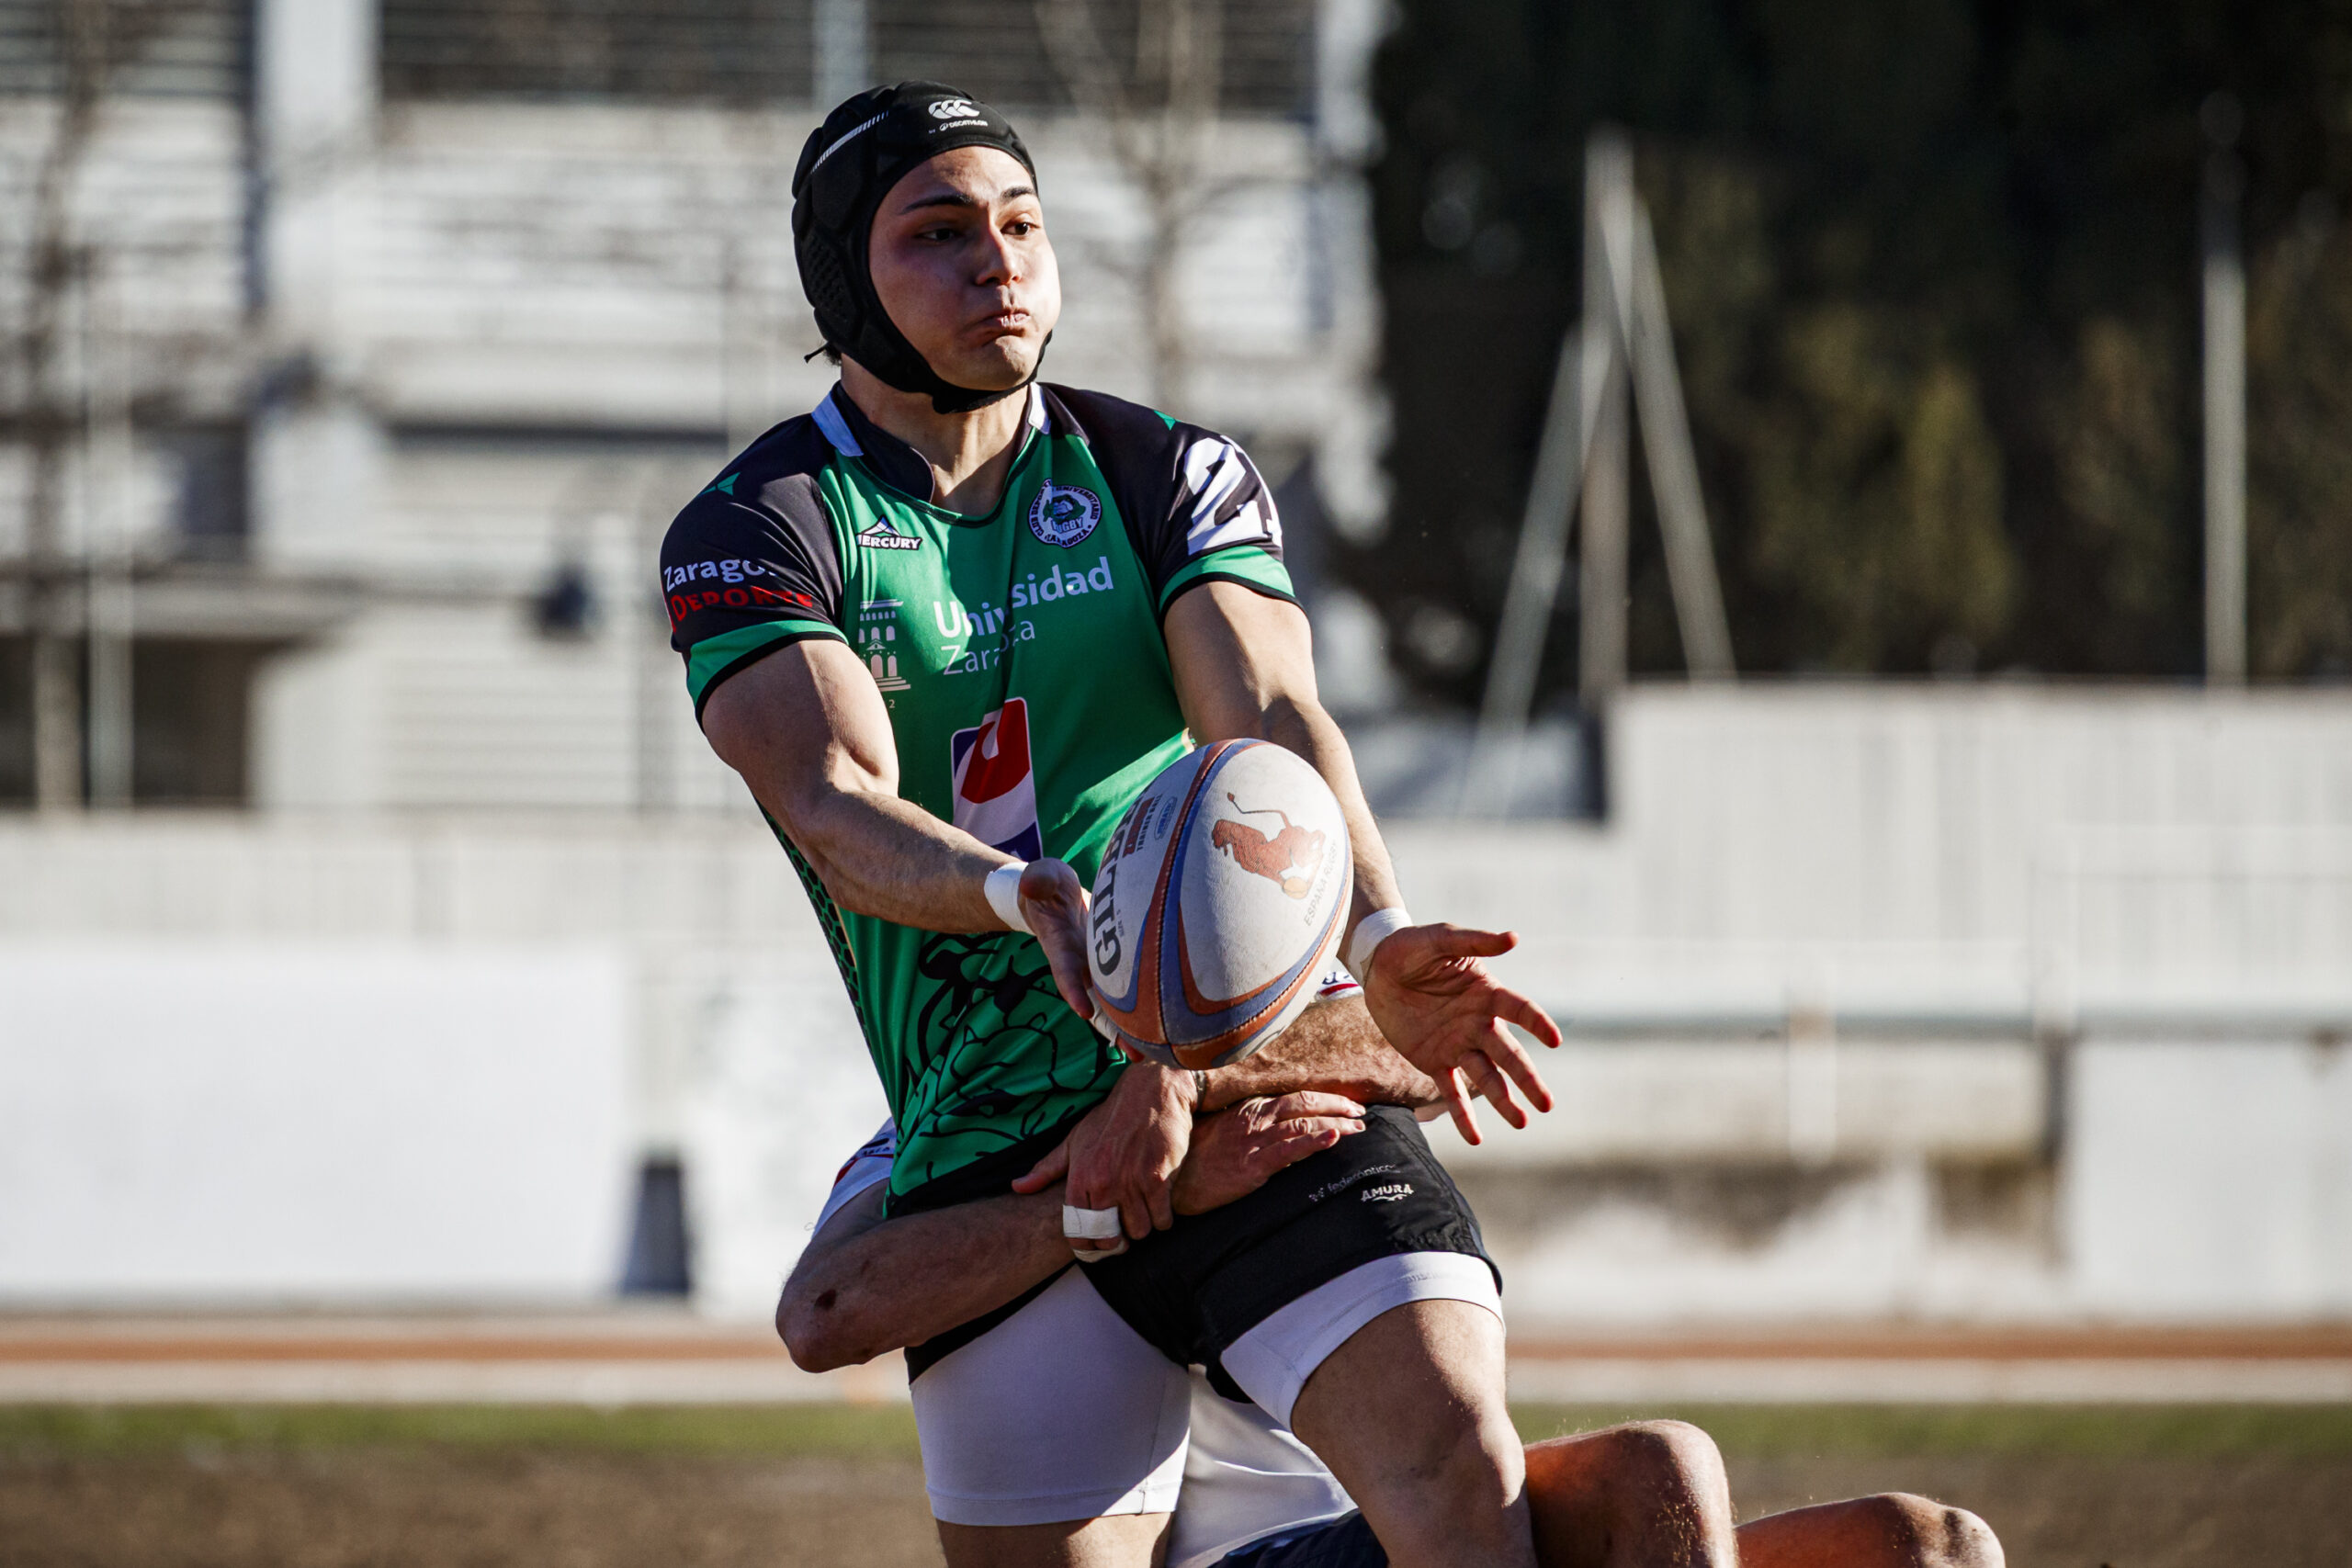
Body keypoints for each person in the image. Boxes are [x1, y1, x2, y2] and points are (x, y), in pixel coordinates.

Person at [662, 80, 1559, 1567]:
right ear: (842, 280)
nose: (997, 263)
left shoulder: (1165, 473)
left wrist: (1377, 930)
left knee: (1460, 1474)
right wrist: (1020, 897)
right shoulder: (762, 525)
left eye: (1023, 225)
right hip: (997, 1132)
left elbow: (1269, 716)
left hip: (1243, 1067)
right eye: (937, 233)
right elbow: (833, 800)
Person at [785, 1110, 2009, 1568]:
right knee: (1661, 1469)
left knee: (1937, 1547)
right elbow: (824, 1310)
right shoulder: (940, 1139)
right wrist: (1116, 1201)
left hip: (1404, 1537)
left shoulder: (1274, 1065)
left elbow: (1403, 1049)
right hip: (1237, 1560)